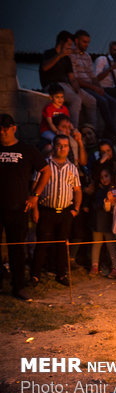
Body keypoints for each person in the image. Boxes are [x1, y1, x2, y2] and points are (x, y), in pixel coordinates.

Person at [0, 114, 51, 300]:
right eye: (0, 128)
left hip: (18, 207)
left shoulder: (27, 150)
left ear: (14, 128)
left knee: (17, 249)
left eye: (6, 127)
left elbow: (46, 171)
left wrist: (35, 196)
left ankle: (18, 286)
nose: (3, 131)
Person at [31, 134, 82, 287]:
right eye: (59, 145)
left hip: (65, 211)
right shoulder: (44, 165)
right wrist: (34, 210)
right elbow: (34, 187)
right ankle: (35, 275)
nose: (62, 148)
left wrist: (76, 209)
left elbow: (77, 190)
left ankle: (61, 274)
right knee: (42, 243)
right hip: (46, 210)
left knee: (62, 243)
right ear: (54, 146)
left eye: (65, 146)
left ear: (68, 148)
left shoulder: (72, 167)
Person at [40, 31, 96, 129]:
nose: (70, 47)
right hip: (54, 86)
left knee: (91, 100)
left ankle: (92, 129)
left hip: (67, 85)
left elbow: (72, 77)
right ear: (61, 42)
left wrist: (77, 90)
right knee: (76, 100)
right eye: (69, 44)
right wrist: (59, 55)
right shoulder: (49, 53)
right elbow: (45, 67)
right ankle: (73, 129)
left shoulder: (66, 58)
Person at [70, 30, 116, 138]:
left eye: (88, 42)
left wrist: (98, 87)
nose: (86, 45)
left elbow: (92, 76)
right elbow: (75, 78)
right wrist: (93, 87)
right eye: (84, 42)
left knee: (114, 103)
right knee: (103, 101)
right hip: (82, 86)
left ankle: (108, 131)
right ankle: (114, 132)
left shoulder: (87, 56)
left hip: (91, 86)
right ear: (76, 41)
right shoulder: (71, 55)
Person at [88, 167, 116, 278]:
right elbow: (94, 204)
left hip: (109, 222)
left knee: (111, 245)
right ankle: (94, 266)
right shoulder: (97, 190)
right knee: (97, 243)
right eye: (101, 177)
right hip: (97, 221)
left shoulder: (114, 190)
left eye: (106, 176)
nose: (104, 179)